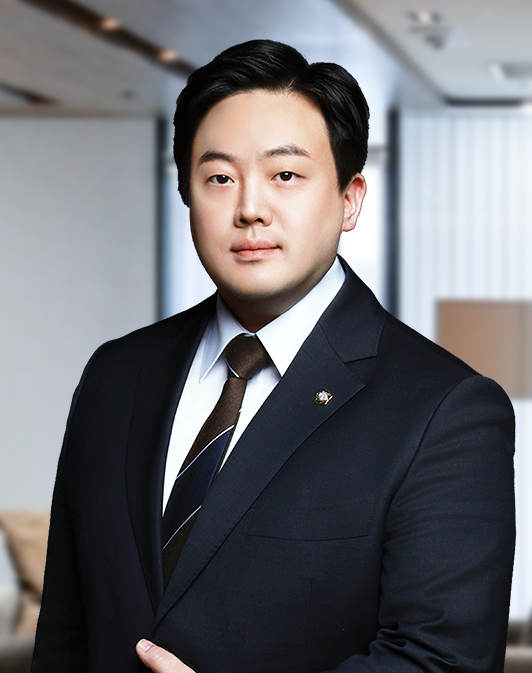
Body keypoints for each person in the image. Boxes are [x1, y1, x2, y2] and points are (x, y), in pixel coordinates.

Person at [31, 40, 515, 673]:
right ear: (186, 193)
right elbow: (65, 633)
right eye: (219, 178)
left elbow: (442, 661)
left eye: (285, 175)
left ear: (350, 198)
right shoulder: (116, 374)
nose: (250, 209)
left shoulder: (445, 411)